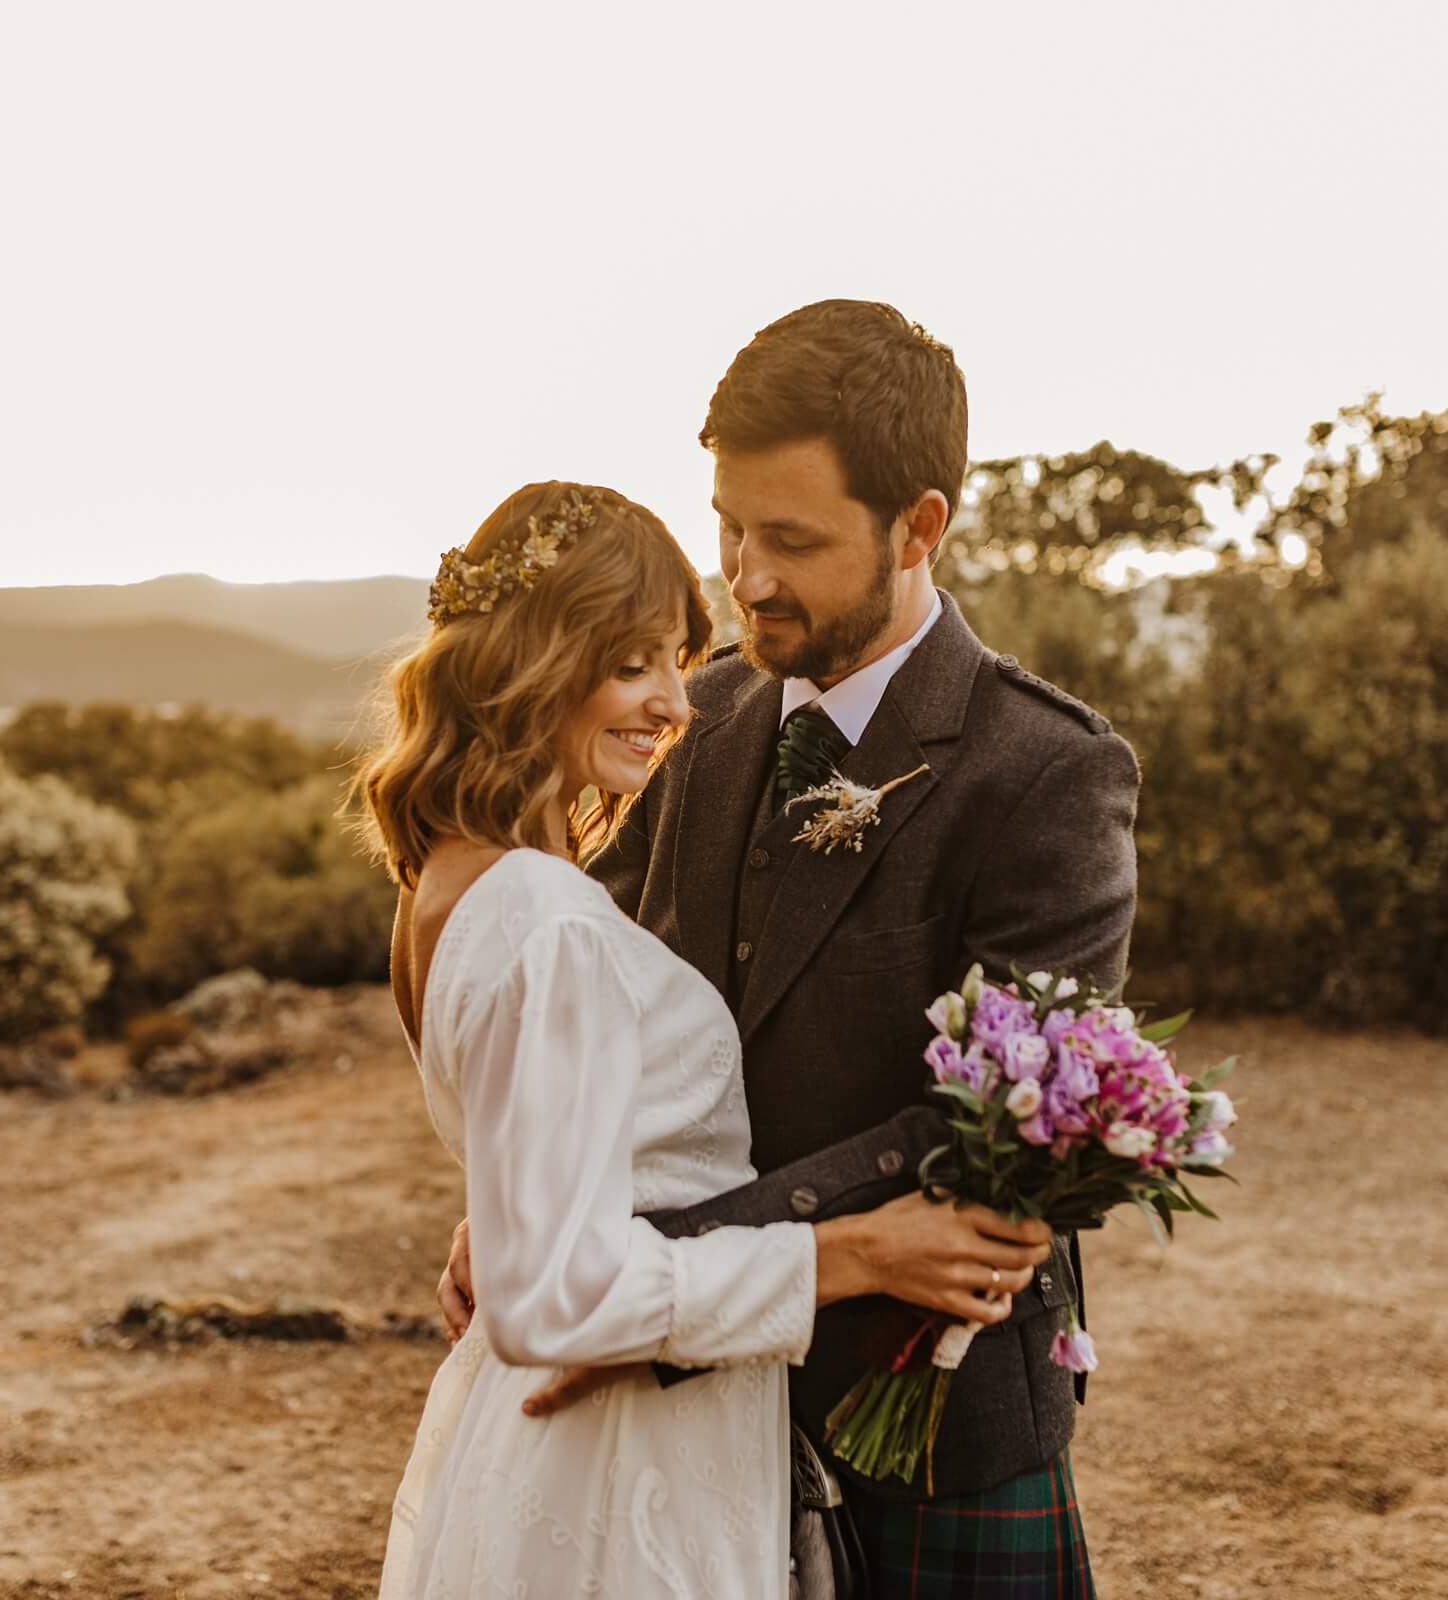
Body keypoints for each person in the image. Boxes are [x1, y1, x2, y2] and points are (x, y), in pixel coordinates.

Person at [437, 301, 1141, 1595]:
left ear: (919, 527)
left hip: (925, 1401)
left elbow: (986, 1131)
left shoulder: (1046, 771)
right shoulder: (688, 720)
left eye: (792, 540)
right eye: (730, 527)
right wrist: (534, 1201)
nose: (745, 576)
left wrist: (656, 1273)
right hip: (678, 1414)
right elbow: (585, 995)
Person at [359, 478, 1057, 1597]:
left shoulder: (448, 882)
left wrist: (524, 1199)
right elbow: (559, 1301)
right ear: (535, 659)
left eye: (677, 661)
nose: (675, 704)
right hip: (617, 1449)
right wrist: (863, 1251)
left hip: (557, 1436)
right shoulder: (549, 920)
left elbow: (547, 1159)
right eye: (633, 664)